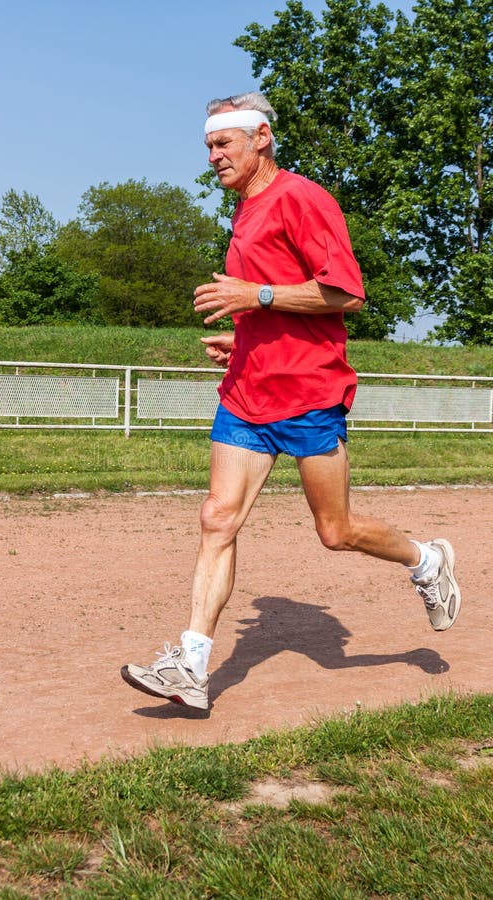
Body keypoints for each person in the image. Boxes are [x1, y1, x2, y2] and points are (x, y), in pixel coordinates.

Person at [120, 91, 461, 711]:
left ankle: (427, 559)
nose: (214, 156)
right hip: (249, 392)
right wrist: (245, 332)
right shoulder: (244, 209)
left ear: (262, 138)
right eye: (208, 146)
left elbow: (345, 296)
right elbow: (268, 300)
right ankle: (191, 667)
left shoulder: (302, 198)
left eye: (224, 143)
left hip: (308, 392)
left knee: (336, 531)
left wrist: (260, 300)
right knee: (217, 518)